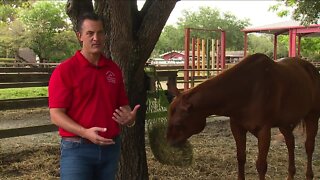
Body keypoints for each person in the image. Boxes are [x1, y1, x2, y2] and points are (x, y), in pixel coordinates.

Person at [48, 12, 140, 180]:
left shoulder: (113, 69)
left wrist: (130, 119)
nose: (95, 38)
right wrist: (84, 132)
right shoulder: (65, 71)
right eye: (90, 33)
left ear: (105, 35)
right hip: (77, 149)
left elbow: (122, 106)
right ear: (80, 36)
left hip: (110, 148)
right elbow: (56, 115)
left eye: (100, 32)